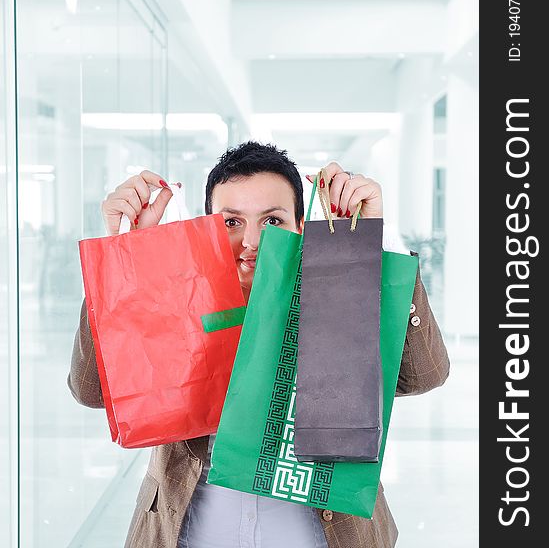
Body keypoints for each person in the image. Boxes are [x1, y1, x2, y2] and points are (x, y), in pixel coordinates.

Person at [68, 141, 449, 548]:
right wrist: (125, 261)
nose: (251, 241)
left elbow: (424, 375)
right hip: (188, 533)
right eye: (231, 222)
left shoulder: (334, 294)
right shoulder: (173, 298)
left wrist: (376, 247)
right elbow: (91, 392)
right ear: (207, 227)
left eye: (271, 221)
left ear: (300, 227)